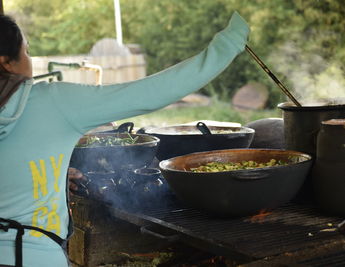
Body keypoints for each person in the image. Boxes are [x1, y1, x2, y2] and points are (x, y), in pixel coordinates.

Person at [0, 12, 249, 267]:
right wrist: (230, 42)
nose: (29, 60)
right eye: (27, 52)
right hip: (32, 257)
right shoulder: (50, 102)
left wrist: (45, 176)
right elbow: (154, 91)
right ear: (6, 62)